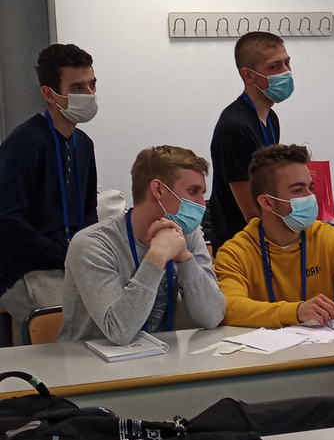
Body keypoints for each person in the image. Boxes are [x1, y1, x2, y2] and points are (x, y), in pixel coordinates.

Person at [59, 146, 226, 344]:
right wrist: (156, 257)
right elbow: (119, 331)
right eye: (193, 192)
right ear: (158, 189)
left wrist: (185, 258)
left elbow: (212, 317)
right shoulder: (92, 244)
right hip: (89, 359)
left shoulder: (187, 235)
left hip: (158, 355)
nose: (202, 204)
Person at [0, 44, 99, 344]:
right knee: (71, 324)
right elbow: (8, 221)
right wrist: (63, 255)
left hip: (69, 262)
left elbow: (88, 211)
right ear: (49, 94)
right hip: (26, 267)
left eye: (92, 85)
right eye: (77, 88)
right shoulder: (25, 143)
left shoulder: (83, 144)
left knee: (117, 311)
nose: (89, 95)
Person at [215, 144, 334, 329]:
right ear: (267, 202)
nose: (311, 197)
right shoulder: (234, 252)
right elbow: (229, 307)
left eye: (310, 188)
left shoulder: (331, 238)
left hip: (323, 343)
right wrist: (295, 312)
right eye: (298, 190)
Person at [209, 31, 293, 254]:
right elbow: (252, 212)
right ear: (248, 75)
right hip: (240, 246)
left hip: (265, 237)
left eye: (287, 63)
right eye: (274, 66)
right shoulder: (235, 127)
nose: (286, 72)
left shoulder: (270, 118)